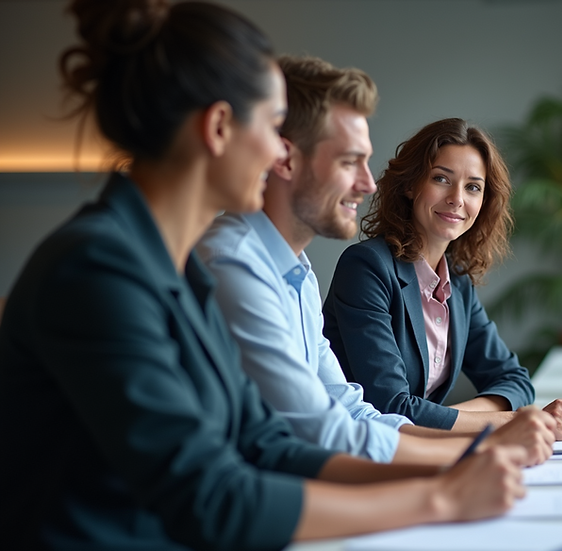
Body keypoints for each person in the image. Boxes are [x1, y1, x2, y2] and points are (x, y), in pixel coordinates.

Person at [0, 2, 525, 549]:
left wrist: (457, 469)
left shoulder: (175, 269)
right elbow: (213, 498)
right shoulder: (100, 269)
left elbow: (266, 442)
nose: (282, 153)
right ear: (221, 127)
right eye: (276, 128)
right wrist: (442, 496)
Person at [196, 55, 555, 466]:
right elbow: (332, 427)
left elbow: (353, 413)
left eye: (473, 187)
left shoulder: (298, 271)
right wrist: (488, 441)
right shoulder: (237, 262)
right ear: (285, 158)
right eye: (349, 161)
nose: (367, 183)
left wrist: (483, 448)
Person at [323, 118, 562, 440]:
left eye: (473, 186)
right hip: (360, 455)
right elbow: (392, 408)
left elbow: (516, 381)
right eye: (441, 179)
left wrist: (462, 418)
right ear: (410, 185)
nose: (457, 198)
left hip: (424, 450)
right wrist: (511, 422)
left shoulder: (457, 283)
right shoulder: (367, 267)